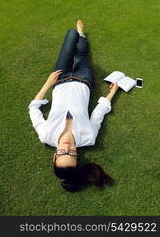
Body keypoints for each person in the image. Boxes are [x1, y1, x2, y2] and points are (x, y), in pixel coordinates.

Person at [28, 20, 119, 192]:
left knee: (70, 36)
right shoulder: (89, 137)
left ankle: (77, 34)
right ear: (77, 157)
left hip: (59, 79)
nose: (67, 148)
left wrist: (48, 83)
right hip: (84, 80)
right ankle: (82, 33)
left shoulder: (46, 135)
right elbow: (99, 113)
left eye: (62, 153)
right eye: (72, 154)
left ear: (54, 156)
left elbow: (33, 108)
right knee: (82, 54)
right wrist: (112, 92)